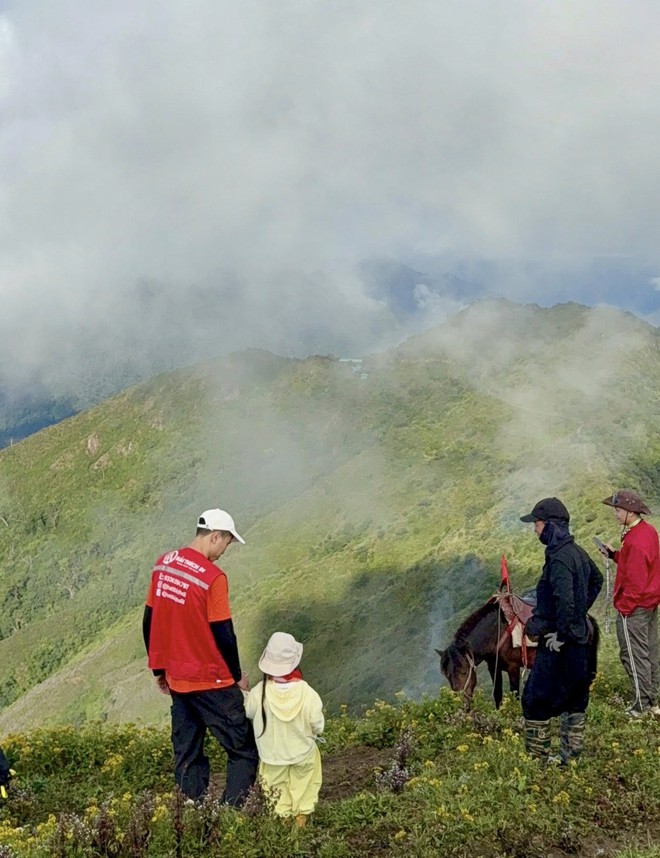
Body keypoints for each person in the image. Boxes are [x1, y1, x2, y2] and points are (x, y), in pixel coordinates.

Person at [142, 508, 258, 805]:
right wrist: (236, 676)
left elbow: (149, 619)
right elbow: (223, 632)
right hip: (211, 679)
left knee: (187, 751)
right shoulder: (212, 577)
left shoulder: (162, 565)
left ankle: (190, 813)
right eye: (226, 543)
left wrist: (159, 669)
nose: (224, 552)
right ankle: (231, 816)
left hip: (178, 679)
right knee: (243, 750)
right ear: (215, 536)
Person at [519, 497, 603, 763]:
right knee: (575, 698)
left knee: (535, 699)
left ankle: (537, 764)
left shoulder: (558, 559)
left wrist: (562, 633)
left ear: (550, 526)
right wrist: (579, 615)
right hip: (579, 642)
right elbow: (597, 580)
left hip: (557, 643)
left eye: (537, 524)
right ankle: (570, 759)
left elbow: (564, 600)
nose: (535, 530)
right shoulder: (577, 552)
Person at [245, 632, 324, 827]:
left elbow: (248, 711)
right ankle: (301, 822)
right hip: (302, 752)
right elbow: (318, 725)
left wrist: (245, 690)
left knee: (276, 789)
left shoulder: (259, 692)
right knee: (304, 784)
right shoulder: (307, 693)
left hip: (272, 755)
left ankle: (283, 823)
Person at [599, 490, 660, 718]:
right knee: (649, 651)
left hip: (634, 607)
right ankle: (653, 702)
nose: (615, 514)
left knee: (633, 655)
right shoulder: (647, 531)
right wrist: (614, 555)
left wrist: (625, 608)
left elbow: (635, 581)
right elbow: (638, 564)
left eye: (618, 510)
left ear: (630, 512)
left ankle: (640, 706)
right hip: (650, 603)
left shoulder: (634, 540)